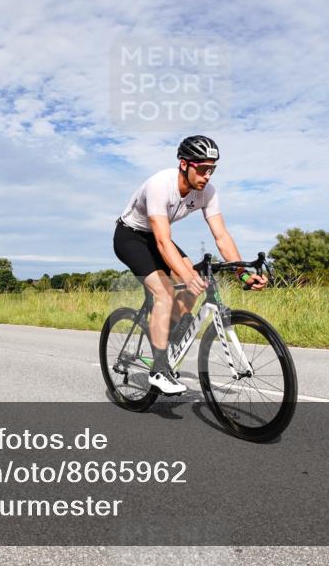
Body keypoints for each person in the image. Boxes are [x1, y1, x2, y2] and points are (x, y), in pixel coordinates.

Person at [113, 135, 267, 395]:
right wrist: (187, 274)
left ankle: (167, 333)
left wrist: (243, 274)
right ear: (184, 164)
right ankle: (159, 370)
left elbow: (221, 236)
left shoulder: (208, 192)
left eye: (212, 169)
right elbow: (163, 241)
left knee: (194, 284)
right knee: (164, 291)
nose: (208, 175)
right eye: (203, 168)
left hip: (158, 237)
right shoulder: (160, 185)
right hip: (131, 237)